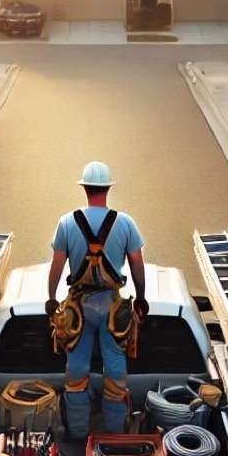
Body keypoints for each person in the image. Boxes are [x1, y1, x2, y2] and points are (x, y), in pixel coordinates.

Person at [46, 160, 147, 436]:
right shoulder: (125, 223)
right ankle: (115, 434)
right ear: (108, 189)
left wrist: (51, 298)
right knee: (114, 368)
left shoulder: (67, 223)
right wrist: (141, 297)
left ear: (85, 188)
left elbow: (57, 266)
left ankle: (79, 433)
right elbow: (137, 265)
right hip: (113, 308)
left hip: (78, 307)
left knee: (77, 368)